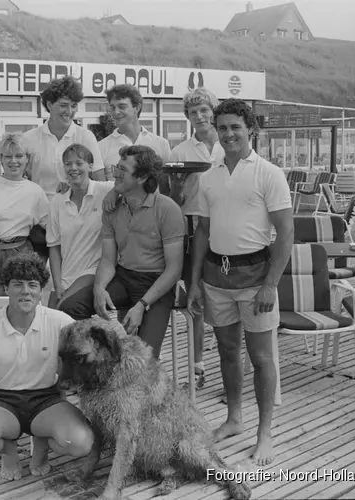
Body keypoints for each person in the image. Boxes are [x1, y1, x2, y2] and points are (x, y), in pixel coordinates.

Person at [187, 99, 293, 466]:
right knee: (228, 353)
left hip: (256, 278)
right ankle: (234, 419)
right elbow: (202, 231)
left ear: (251, 130)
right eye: (223, 127)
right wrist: (195, 280)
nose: (228, 133)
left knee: (261, 358)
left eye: (235, 126)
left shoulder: (269, 173)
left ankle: (265, 434)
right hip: (217, 278)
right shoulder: (209, 176)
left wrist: (271, 284)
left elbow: (285, 234)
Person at [0, 252, 94, 481]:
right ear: (6, 289)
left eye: (33, 285)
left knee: (81, 443)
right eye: (17, 284)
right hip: (1, 402)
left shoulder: (60, 322)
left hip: (46, 400)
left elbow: (89, 351)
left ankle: (41, 445)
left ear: (41, 291)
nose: (26, 291)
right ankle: (8, 449)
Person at [59, 145, 185, 359]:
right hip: (124, 277)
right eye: (117, 167)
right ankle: (95, 362)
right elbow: (108, 260)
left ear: (142, 177)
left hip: (157, 285)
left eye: (122, 170)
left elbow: (174, 270)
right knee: (71, 307)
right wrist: (99, 288)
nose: (115, 173)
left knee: (144, 358)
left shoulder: (167, 209)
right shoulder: (112, 207)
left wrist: (142, 305)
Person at [168, 88, 226, 390]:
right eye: (193, 113)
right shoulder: (180, 153)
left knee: (224, 296)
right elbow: (174, 200)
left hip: (224, 227)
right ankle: (198, 365)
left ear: (213, 111)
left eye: (204, 110)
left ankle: (229, 364)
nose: (200, 117)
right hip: (191, 226)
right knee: (196, 296)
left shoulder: (228, 145)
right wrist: (177, 185)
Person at [0, 132, 49, 296]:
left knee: (22, 306)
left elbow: (52, 229)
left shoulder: (35, 192)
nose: (13, 161)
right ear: (1, 158)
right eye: (8, 156)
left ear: (27, 158)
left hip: (21, 254)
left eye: (19, 156)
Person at [46, 143, 114, 308]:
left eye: (79, 163)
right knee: (52, 321)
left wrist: (115, 192)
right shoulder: (57, 201)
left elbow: (129, 184)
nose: (73, 168)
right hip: (65, 275)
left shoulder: (105, 190)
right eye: (68, 164)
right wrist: (57, 284)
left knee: (64, 309)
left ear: (91, 166)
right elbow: (54, 246)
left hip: (92, 271)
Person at [23, 75, 106, 201]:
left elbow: (100, 181)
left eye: (73, 106)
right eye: (63, 105)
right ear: (50, 105)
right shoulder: (29, 138)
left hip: (77, 211)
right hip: (40, 213)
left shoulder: (86, 137)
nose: (69, 111)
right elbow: (20, 181)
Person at [98, 84, 172, 178]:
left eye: (122, 106)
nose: (116, 112)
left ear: (137, 108)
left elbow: (165, 188)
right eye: (112, 107)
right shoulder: (101, 147)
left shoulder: (161, 144)